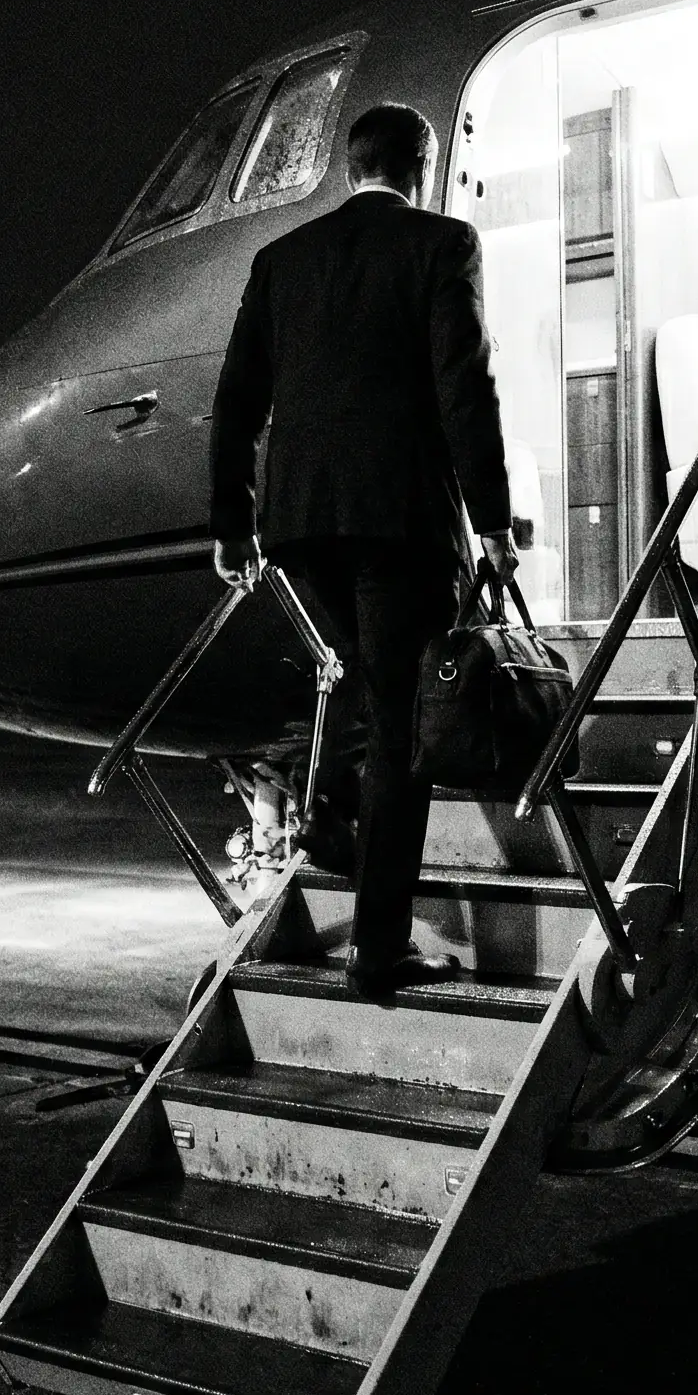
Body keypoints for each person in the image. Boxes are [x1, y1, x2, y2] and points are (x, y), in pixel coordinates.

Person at [208, 101, 517, 998]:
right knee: (398, 728)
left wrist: (233, 522)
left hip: (300, 526)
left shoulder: (282, 261)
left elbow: (237, 399)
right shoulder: (443, 244)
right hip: (399, 522)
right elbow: (467, 386)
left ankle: (332, 830)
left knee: (351, 677)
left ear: (351, 169)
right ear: (421, 166)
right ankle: (378, 951)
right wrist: (493, 522)